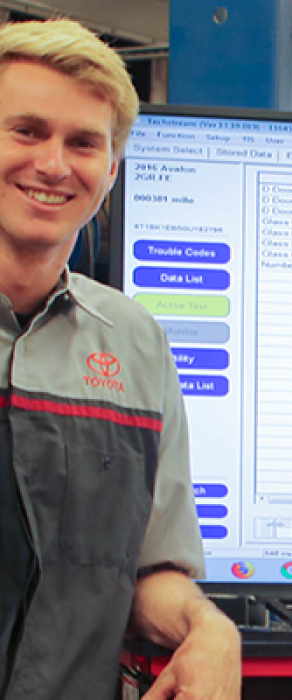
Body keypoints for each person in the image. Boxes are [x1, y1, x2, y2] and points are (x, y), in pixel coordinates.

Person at [0, 19, 239, 700]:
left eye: (83, 143)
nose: (53, 164)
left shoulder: (137, 345)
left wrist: (209, 628)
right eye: (27, 131)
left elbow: (145, 575)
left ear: (110, 170)